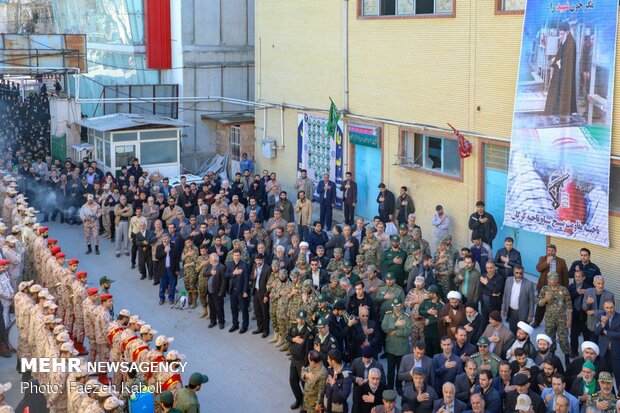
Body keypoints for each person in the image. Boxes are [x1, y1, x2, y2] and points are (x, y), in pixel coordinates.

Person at [544, 21, 577, 116]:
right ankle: (556, 110)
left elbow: (567, 61)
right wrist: (556, 60)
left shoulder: (571, 43)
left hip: (565, 75)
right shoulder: (565, 40)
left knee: (564, 92)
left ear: (567, 32)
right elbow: (561, 54)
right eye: (560, 33)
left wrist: (559, 62)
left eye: (562, 33)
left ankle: (561, 112)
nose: (560, 35)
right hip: (561, 73)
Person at [538, 272, 572, 366]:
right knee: (550, 339)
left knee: (564, 339)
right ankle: (551, 357)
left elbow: (569, 305)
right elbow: (539, 303)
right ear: (548, 279)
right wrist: (545, 299)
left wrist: (569, 319)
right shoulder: (545, 289)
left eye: (555, 279)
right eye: (551, 279)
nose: (553, 281)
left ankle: (567, 359)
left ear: (558, 279)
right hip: (549, 319)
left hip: (562, 320)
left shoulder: (564, 290)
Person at [533, 244, 569, 328]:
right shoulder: (542, 258)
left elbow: (565, 276)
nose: (550, 252)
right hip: (544, 287)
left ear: (555, 251)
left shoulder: (561, 261)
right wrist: (547, 262)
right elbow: (539, 268)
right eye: (548, 250)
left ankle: (555, 323)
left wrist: (565, 290)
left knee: (556, 306)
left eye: (552, 251)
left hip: (557, 288)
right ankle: (537, 322)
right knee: (540, 306)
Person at [381, 297, 412, 394]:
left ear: (401, 305)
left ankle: (399, 386)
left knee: (400, 369)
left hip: (402, 348)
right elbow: (384, 327)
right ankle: (390, 386)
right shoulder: (388, 315)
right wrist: (395, 324)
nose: (396, 308)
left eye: (398, 306)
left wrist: (394, 332)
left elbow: (408, 331)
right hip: (390, 347)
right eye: (394, 306)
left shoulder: (407, 316)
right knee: (390, 369)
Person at [502, 265, 536, 335]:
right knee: (512, 331)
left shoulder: (529, 284)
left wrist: (530, 315)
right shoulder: (508, 280)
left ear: (523, 273)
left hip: (523, 313)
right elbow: (505, 295)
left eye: (520, 273)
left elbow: (532, 301)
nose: (518, 275)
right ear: (513, 272)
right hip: (511, 312)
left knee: (523, 333)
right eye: (516, 273)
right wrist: (503, 308)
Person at [593, 299, 620, 387]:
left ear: (614, 307)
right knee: (606, 378)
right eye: (607, 307)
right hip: (604, 352)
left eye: (611, 307)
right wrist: (602, 324)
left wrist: (607, 332)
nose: (609, 310)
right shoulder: (600, 316)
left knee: (618, 377)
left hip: (616, 352)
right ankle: (609, 397)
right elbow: (596, 332)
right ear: (604, 307)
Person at [225, 249, 250, 333]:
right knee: (233, 309)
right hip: (232, 291)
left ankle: (244, 326)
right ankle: (235, 324)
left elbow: (246, 279)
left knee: (244, 309)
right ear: (232, 256)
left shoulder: (245, 265)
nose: (236, 257)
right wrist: (233, 273)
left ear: (240, 256)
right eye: (235, 255)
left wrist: (245, 291)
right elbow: (226, 275)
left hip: (242, 291)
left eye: (238, 255)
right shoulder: (230, 264)